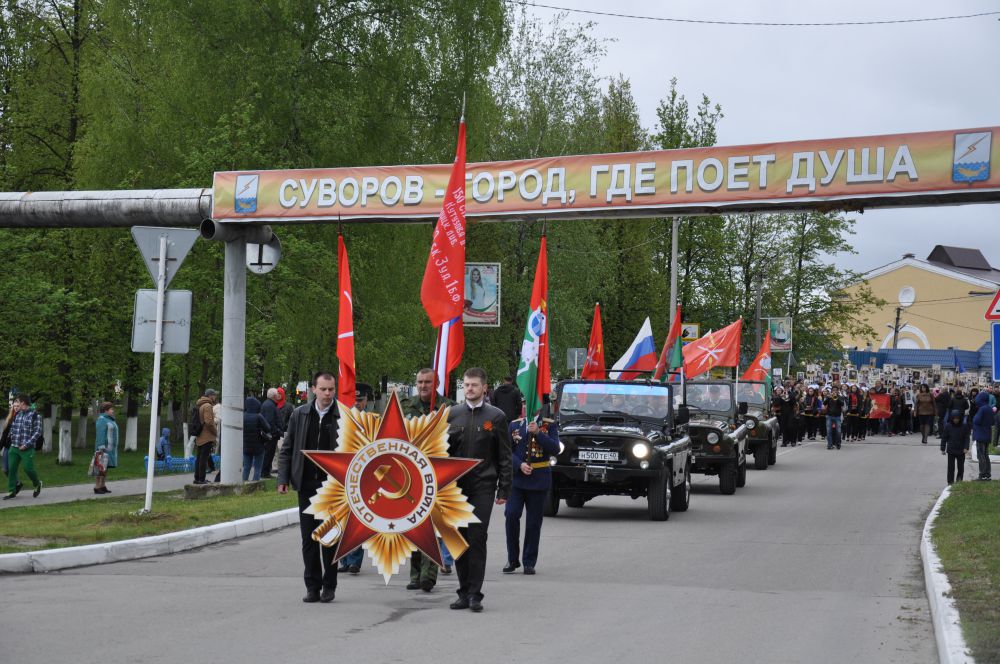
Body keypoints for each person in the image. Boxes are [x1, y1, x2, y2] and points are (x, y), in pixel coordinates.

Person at [446, 367, 513, 613]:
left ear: (484, 388)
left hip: (483, 485)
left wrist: (504, 488)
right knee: (459, 540)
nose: (469, 389)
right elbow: (442, 452)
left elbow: (504, 455)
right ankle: (463, 592)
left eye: (474, 385)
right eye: (466, 385)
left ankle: (475, 594)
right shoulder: (452, 414)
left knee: (476, 538)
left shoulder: (496, 417)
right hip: (456, 488)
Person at [277, 371, 340, 604]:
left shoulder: (342, 416)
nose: (327, 393)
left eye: (331, 389)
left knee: (329, 537)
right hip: (306, 484)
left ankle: (329, 586)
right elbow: (287, 449)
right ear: (314, 389)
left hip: (332, 488)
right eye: (323, 389)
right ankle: (312, 586)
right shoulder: (299, 414)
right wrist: (283, 479)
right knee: (308, 539)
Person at [403, 369, 456, 590]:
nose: (423, 385)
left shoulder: (449, 408)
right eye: (420, 382)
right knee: (414, 524)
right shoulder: (406, 406)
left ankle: (428, 575)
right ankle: (415, 575)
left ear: (437, 383)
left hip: (437, 473)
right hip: (411, 473)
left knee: (432, 524)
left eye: (428, 382)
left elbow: (455, 439)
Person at [504, 410, 560, 575]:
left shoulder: (548, 425)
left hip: (538, 480)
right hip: (517, 480)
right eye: (524, 402)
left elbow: (555, 449)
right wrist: (519, 465)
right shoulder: (515, 424)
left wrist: (538, 433)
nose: (526, 405)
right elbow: (507, 451)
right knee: (511, 515)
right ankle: (512, 558)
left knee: (533, 523)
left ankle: (529, 561)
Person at [339, 383, 373, 576]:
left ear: (366, 400)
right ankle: (344, 559)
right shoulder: (342, 419)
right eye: (354, 400)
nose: (357, 403)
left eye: (360, 400)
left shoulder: (371, 421)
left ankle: (354, 561)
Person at [4, 395, 42, 499]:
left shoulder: (35, 415)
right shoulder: (18, 414)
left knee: (28, 469)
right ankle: (11, 491)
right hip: (14, 447)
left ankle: (37, 484)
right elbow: (13, 428)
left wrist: (26, 444)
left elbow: (37, 432)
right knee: (11, 469)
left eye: (18, 402)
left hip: (27, 449)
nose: (16, 404)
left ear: (23, 403)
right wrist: (12, 439)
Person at [242, 396, 271, 482]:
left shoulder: (243, 416)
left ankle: (243, 483)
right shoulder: (258, 417)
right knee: (257, 468)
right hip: (258, 446)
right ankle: (255, 484)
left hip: (246, 445)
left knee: (246, 467)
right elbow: (268, 428)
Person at [193, 389, 218, 485]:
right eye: (214, 395)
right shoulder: (207, 406)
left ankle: (197, 478)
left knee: (199, 458)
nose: (215, 397)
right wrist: (215, 432)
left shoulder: (200, 404)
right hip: (206, 436)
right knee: (203, 458)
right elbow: (209, 422)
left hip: (200, 435)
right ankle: (201, 479)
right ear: (210, 396)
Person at [93, 402, 119, 494]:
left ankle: (103, 485)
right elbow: (100, 434)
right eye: (111, 409)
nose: (113, 411)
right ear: (105, 410)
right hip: (103, 448)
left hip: (110, 449)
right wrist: (101, 446)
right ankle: (97, 487)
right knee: (100, 468)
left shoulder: (110, 420)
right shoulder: (102, 420)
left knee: (105, 467)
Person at [259, 388, 284, 479]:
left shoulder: (268, 404)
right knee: (268, 454)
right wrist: (276, 432)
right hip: (271, 436)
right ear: (274, 396)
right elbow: (270, 421)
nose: (278, 395)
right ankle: (265, 473)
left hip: (269, 435)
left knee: (268, 454)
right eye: (277, 394)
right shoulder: (270, 405)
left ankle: (266, 472)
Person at [972, 390, 994, 481]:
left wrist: (974, 417)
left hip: (981, 434)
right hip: (987, 433)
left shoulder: (982, 409)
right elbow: (992, 421)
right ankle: (988, 473)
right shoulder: (989, 408)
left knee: (981, 455)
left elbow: (976, 420)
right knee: (985, 454)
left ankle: (982, 474)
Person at [943, 410, 969, 484]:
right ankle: (950, 482)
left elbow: (966, 437)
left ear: (960, 418)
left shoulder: (964, 426)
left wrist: (966, 447)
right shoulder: (948, 426)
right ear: (951, 418)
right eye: (954, 418)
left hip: (961, 450)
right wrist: (943, 448)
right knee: (951, 468)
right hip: (951, 450)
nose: (956, 420)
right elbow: (944, 438)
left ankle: (959, 481)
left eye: (957, 418)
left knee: (960, 468)